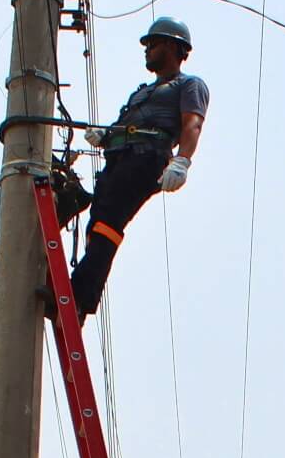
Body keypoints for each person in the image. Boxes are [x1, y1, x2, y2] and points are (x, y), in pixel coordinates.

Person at [68, 16, 208, 318]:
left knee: (108, 222)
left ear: (173, 46)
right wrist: (106, 136)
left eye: (152, 44)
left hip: (147, 159)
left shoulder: (189, 85)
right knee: (99, 223)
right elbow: (127, 125)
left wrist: (182, 160)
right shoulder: (143, 91)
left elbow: (192, 123)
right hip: (121, 159)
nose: (146, 50)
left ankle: (80, 293)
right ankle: (80, 294)